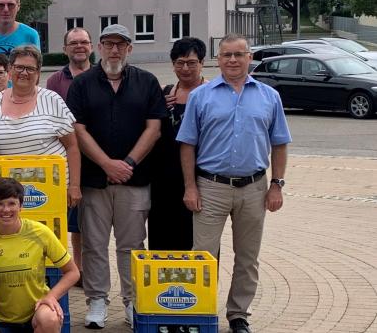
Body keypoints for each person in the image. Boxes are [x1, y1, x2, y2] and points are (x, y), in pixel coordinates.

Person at [177, 34, 291, 333]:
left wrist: (276, 185)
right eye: (226, 55)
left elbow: (279, 144)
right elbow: (187, 144)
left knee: (247, 256)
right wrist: (190, 186)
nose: (232, 60)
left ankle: (238, 314)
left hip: (254, 188)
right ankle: (200, 311)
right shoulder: (201, 96)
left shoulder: (269, 96)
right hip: (210, 187)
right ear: (218, 58)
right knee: (203, 256)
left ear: (249, 57)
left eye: (238, 55)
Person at [65, 24, 166, 328]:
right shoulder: (82, 84)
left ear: (129, 49)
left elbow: (154, 128)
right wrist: (107, 163)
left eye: (120, 45)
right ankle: (97, 301)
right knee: (94, 243)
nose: (114, 50)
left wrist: (129, 162)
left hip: (134, 180)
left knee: (132, 245)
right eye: (108, 44)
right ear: (99, 46)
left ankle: (133, 302)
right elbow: (76, 130)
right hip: (94, 181)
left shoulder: (147, 82)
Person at [0, 46, 80, 206]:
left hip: (51, 191)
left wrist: (74, 186)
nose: (24, 72)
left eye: (30, 68)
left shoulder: (52, 99)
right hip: (7, 198)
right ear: (10, 70)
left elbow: (72, 146)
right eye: (19, 67)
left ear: (38, 72)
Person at [0, 178, 79, 333]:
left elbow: (73, 272)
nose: (6, 209)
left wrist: (51, 297)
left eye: (11, 203)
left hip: (37, 313)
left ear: (21, 206)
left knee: (50, 319)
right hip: (3, 319)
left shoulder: (39, 232)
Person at [148, 38, 208, 250]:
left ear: (202, 63)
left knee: (197, 240)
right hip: (163, 182)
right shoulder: (163, 94)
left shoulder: (212, 94)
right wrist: (157, 109)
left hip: (200, 179)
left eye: (191, 63)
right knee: (161, 237)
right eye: (179, 62)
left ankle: (195, 284)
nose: (185, 68)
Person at [44, 27, 93, 285]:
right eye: (73, 43)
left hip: (94, 157)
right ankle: (76, 268)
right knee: (71, 220)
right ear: (65, 49)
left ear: (91, 47)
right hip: (65, 157)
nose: (79, 47)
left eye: (84, 42)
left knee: (89, 219)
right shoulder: (55, 81)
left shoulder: (99, 76)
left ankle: (89, 269)